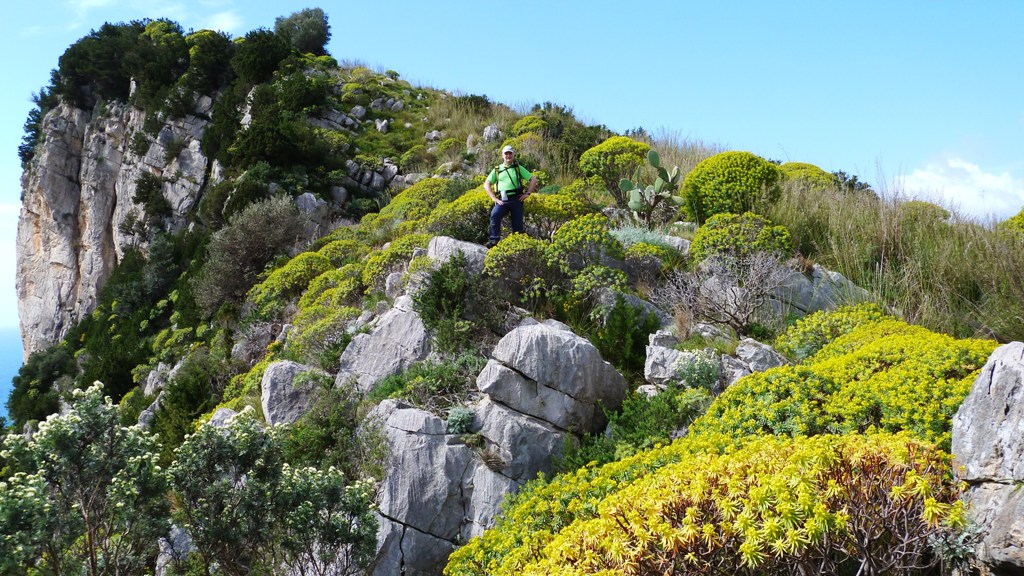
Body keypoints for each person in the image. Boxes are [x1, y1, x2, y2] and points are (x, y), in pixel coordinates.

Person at [483, 145, 537, 248]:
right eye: (506, 153)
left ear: (513, 155)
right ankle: (494, 240)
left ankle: (518, 245)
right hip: (502, 200)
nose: (508, 155)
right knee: (495, 215)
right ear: (502, 156)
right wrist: (494, 198)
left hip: (516, 199)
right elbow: (486, 184)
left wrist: (528, 193)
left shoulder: (517, 168)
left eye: (510, 153)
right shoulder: (497, 170)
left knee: (518, 224)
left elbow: (533, 178)